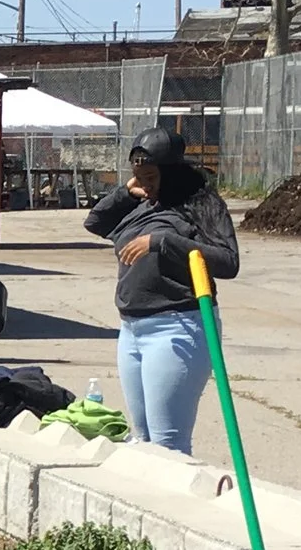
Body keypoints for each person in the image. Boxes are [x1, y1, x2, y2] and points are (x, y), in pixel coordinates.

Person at [82, 127, 240, 452]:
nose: (146, 184)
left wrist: (163, 242)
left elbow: (228, 262)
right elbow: (95, 222)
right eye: (139, 176)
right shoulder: (142, 203)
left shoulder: (200, 204)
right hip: (132, 329)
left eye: (152, 176)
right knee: (142, 438)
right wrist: (128, 191)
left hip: (177, 327)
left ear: (172, 172)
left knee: (167, 442)